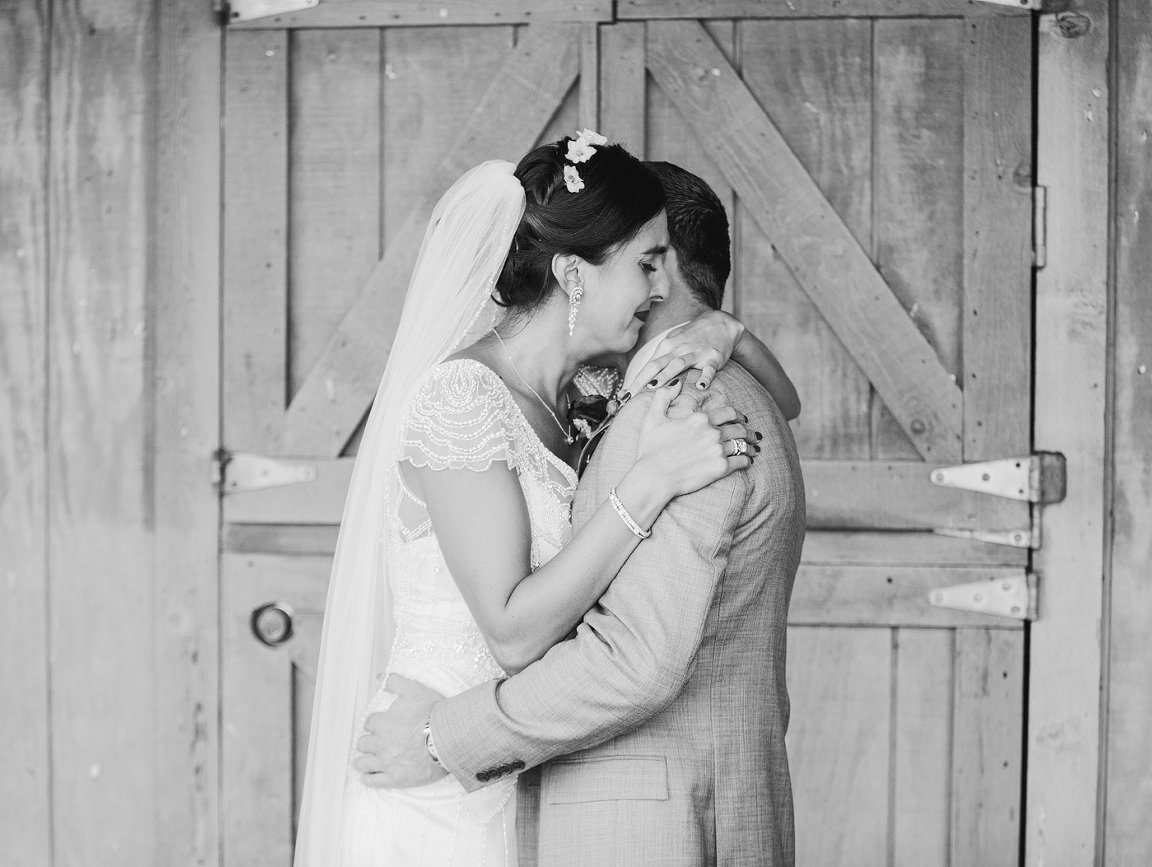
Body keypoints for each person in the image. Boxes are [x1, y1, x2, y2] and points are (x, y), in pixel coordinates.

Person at [294, 137, 795, 867]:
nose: (662, 287)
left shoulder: (586, 394)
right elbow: (512, 632)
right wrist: (647, 485)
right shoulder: (459, 397)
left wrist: (722, 330)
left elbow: (787, 400)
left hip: (520, 764)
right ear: (572, 273)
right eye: (646, 263)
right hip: (436, 776)